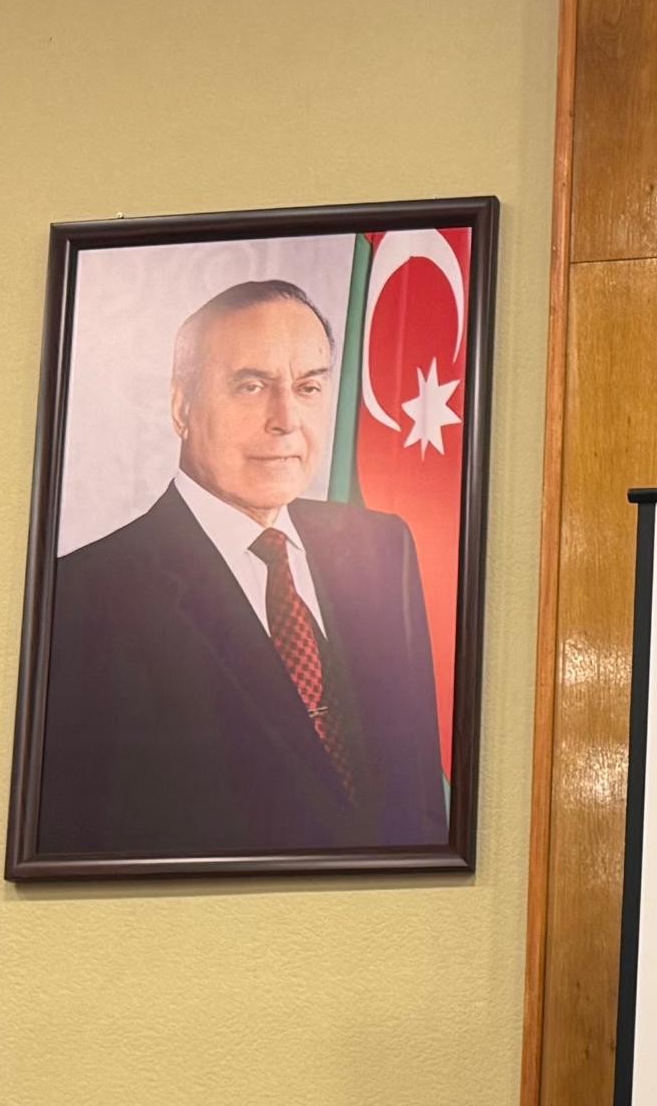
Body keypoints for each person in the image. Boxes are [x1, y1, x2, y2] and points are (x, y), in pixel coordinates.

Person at [30, 279, 447, 859]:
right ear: (182, 407)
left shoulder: (383, 549)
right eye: (252, 386)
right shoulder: (81, 598)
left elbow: (422, 796)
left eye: (307, 387)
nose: (286, 420)